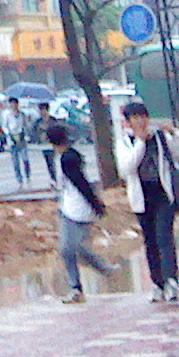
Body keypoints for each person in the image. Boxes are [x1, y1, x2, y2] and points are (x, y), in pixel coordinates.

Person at [117, 99, 179, 304]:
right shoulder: (125, 142)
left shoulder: (159, 138)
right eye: (135, 118)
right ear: (128, 122)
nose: (140, 121)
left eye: (143, 117)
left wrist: (175, 134)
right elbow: (127, 168)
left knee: (164, 238)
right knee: (150, 242)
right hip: (141, 199)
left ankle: (171, 282)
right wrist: (140, 143)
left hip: (162, 195)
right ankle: (158, 284)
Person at [48, 122, 113, 303]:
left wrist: (96, 205)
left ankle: (77, 287)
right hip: (72, 208)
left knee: (68, 248)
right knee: (74, 247)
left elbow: (81, 183)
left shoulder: (67, 159)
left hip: (76, 209)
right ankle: (102, 269)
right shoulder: (67, 156)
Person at [0, 99, 30, 186]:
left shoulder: (22, 115)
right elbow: (4, 126)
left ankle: (27, 175)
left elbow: (26, 126)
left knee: (25, 159)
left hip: (21, 139)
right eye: (12, 104)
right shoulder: (7, 115)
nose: (13, 105)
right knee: (15, 162)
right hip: (12, 139)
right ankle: (19, 180)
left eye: (15, 103)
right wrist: (8, 133)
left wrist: (25, 133)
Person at [34, 102, 58, 184]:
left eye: (44, 110)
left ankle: (54, 178)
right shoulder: (38, 122)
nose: (43, 112)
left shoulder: (53, 120)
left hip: (52, 144)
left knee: (52, 161)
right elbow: (34, 132)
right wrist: (39, 138)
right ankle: (52, 178)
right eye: (41, 110)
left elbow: (57, 131)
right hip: (43, 145)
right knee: (48, 161)